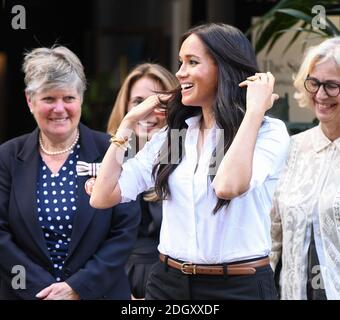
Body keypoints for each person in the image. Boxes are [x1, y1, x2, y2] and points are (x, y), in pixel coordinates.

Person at [91, 23, 290, 300]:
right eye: (180, 62)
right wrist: (126, 124)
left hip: (238, 287)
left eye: (192, 62)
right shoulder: (176, 137)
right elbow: (102, 196)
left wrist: (254, 111)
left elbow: (227, 186)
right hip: (168, 284)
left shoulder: (267, 131)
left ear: (224, 68)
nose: (180, 73)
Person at [0, 46, 139, 300]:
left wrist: (77, 288)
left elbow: (124, 231)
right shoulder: (7, 157)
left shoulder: (112, 150)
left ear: (81, 99)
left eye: (68, 98)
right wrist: (45, 292)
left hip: (101, 294)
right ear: (30, 101)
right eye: (49, 99)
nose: (59, 108)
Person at [270, 37, 340, 300]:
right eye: (314, 83)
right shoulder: (293, 148)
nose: (321, 95)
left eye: (332, 86)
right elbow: (272, 235)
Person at [107, 63, 178, 299]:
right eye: (138, 102)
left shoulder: (187, 152)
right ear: (125, 107)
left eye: (159, 102)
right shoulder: (106, 156)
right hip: (113, 280)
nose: (148, 111)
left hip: (174, 282)